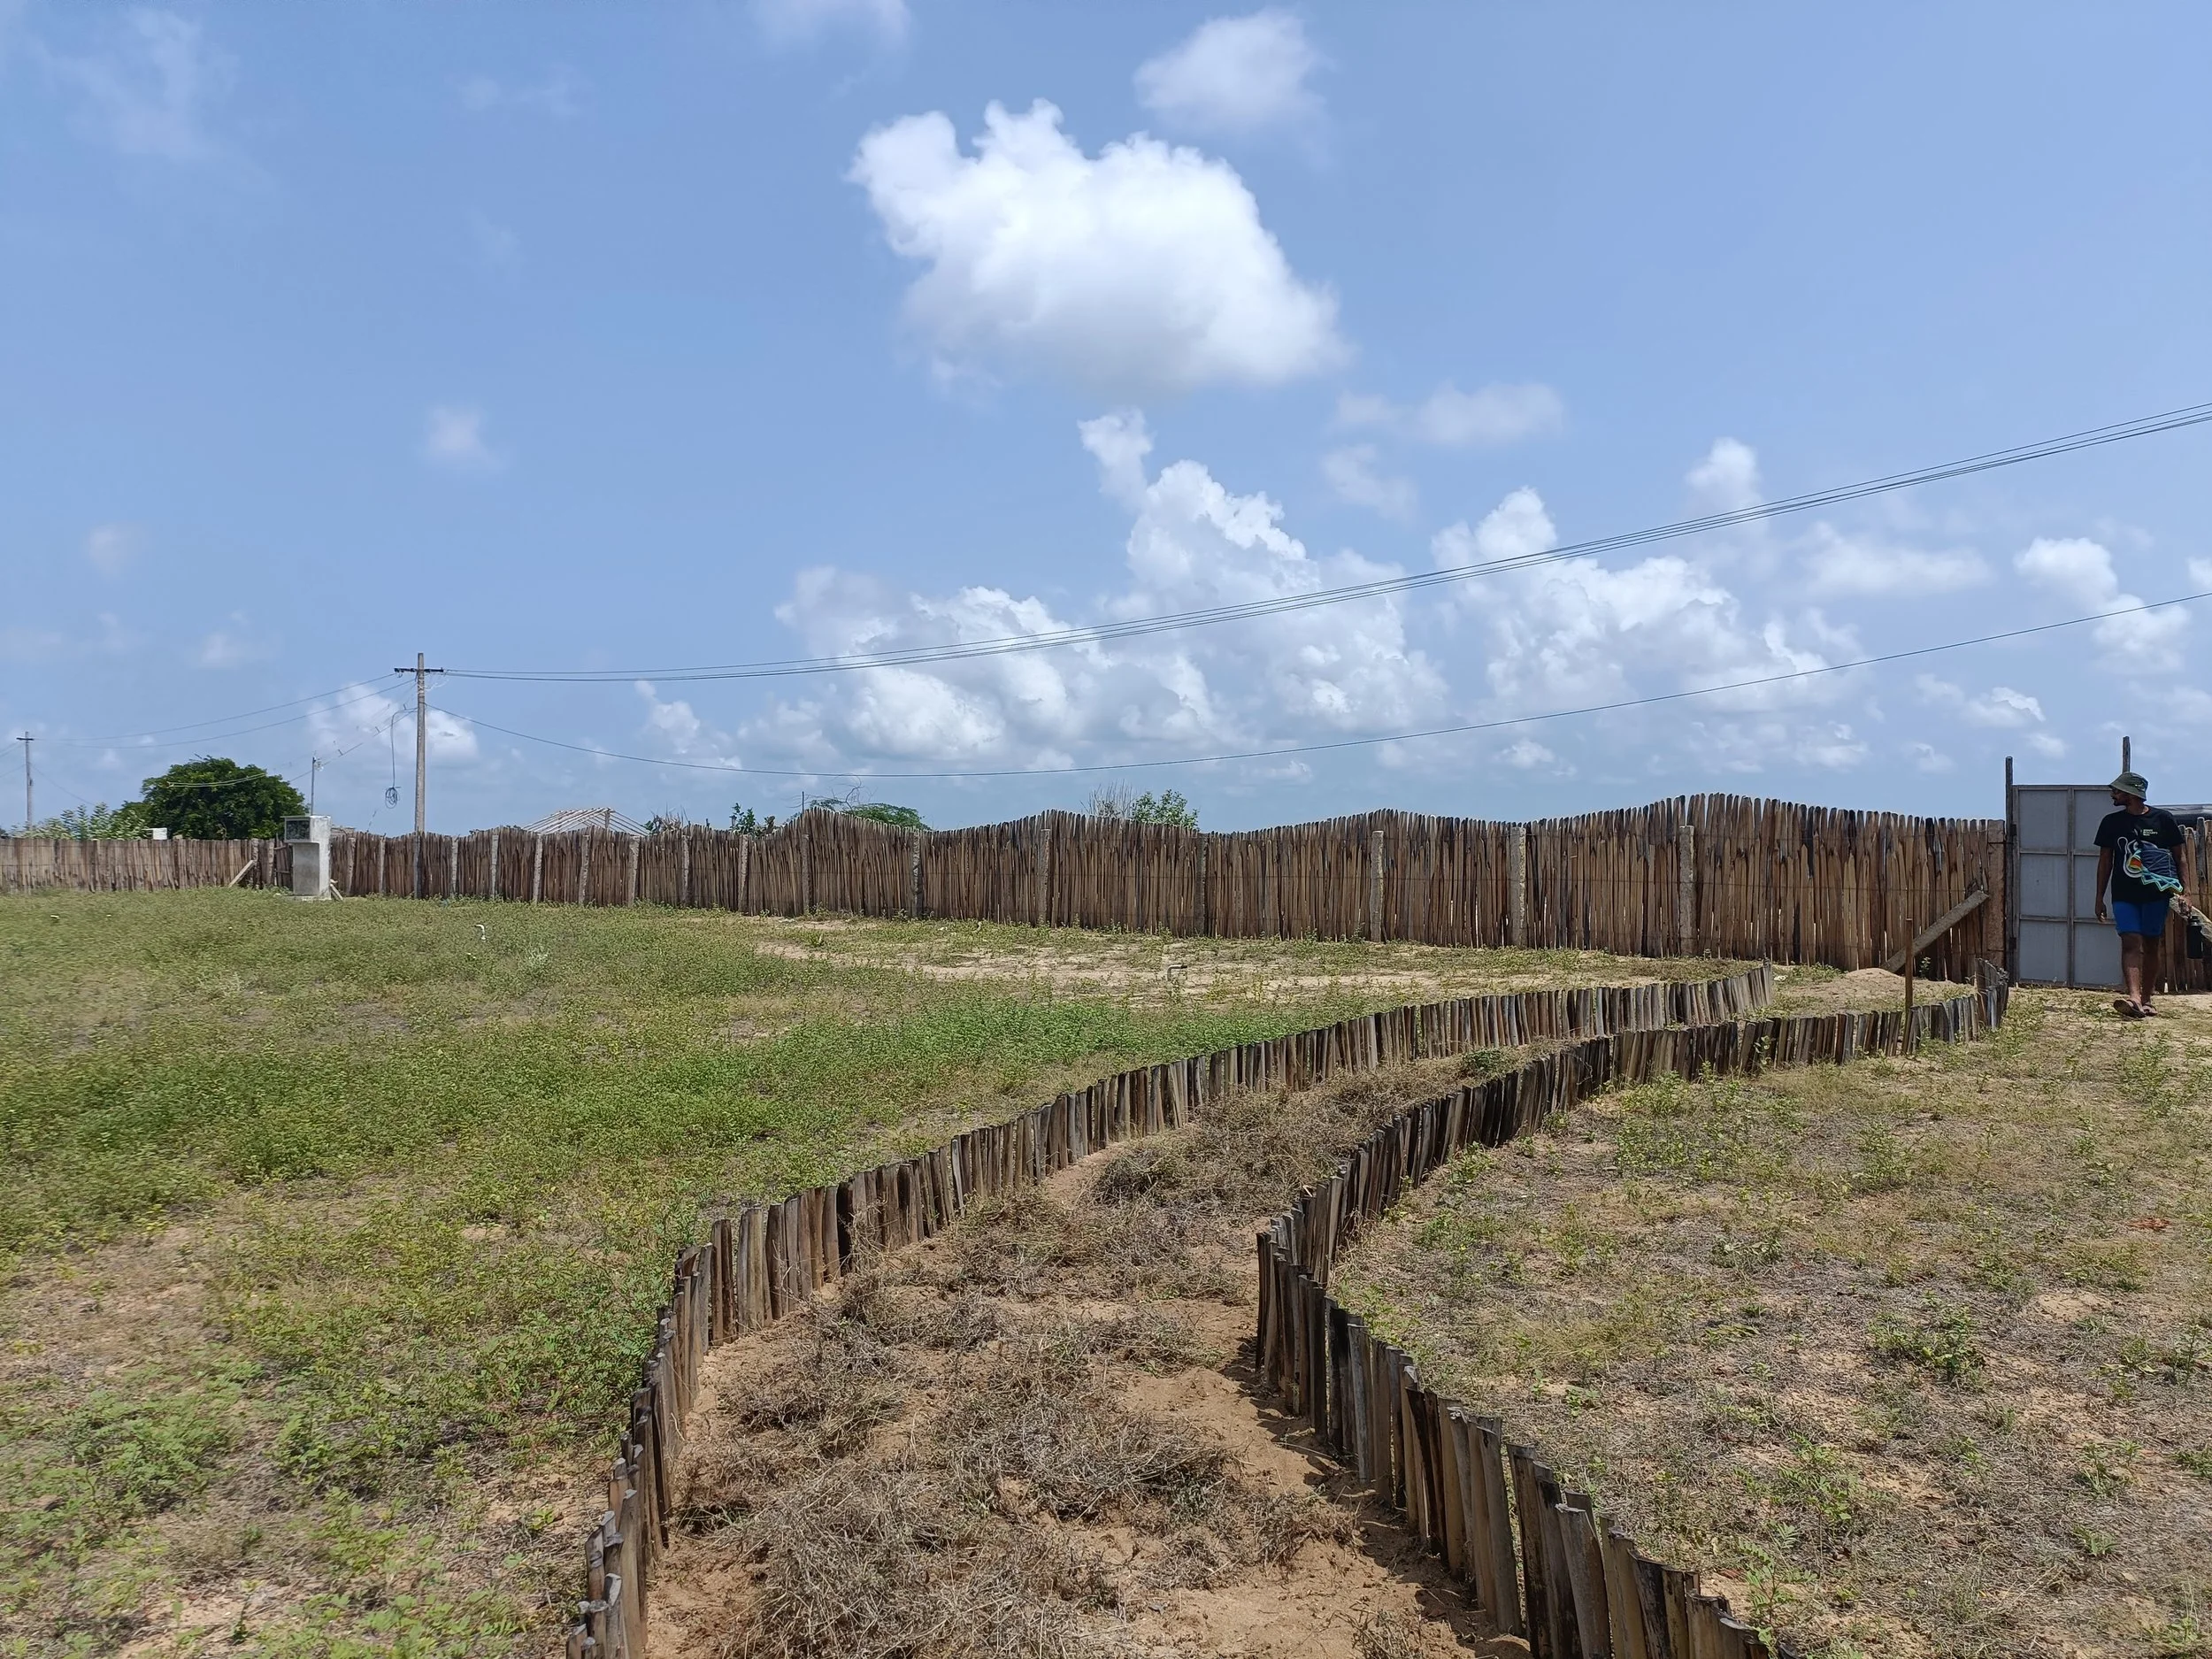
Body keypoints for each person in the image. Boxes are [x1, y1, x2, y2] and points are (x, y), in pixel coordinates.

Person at [2093, 770, 2187, 1018]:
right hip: (2124, 894)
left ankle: (2147, 999)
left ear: (2132, 793)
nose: (2113, 794)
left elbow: (2180, 858)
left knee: (2152, 943)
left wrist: (2183, 892)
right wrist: (2099, 897)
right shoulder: (2111, 823)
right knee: (2130, 941)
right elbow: (2105, 862)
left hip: (2156, 894)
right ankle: (2133, 998)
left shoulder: (2163, 819)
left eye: (2117, 790)